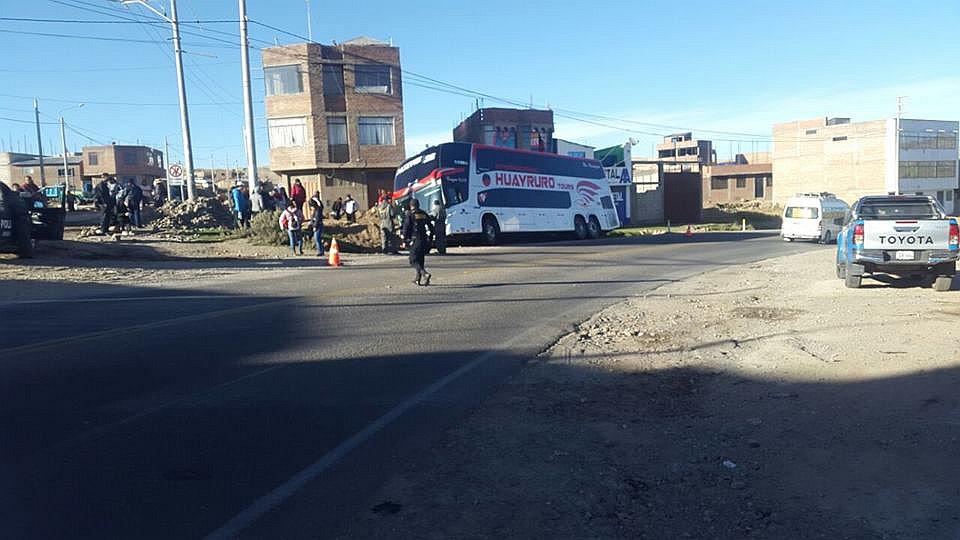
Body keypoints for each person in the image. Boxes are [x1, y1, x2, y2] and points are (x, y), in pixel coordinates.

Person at [402, 198, 435, 286]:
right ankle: (418, 279)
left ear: (411, 206)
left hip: (415, 239)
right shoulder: (423, 214)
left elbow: (406, 228)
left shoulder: (410, 214)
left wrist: (404, 240)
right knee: (420, 260)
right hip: (424, 239)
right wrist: (430, 239)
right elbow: (431, 227)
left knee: (413, 260)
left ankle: (424, 274)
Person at [309, 191, 325, 257]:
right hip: (316, 225)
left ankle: (320, 251)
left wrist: (315, 226)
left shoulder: (317, 210)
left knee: (317, 238)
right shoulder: (315, 210)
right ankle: (321, 250)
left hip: (318, 225)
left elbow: (317, 219)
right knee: (317, 238)